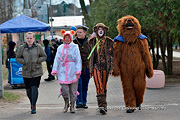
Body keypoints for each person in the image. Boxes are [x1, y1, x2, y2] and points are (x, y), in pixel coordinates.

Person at [51, 30, 82, 113]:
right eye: (66, 37)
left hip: (73, 70)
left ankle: (72, 106)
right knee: (65, 90)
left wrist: (78, 70)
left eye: (69, 37)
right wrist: (54, 69)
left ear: (71, 38)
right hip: (63, 70)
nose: (67, 39)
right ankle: (66, 103)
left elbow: (78, 59)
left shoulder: (75, 47)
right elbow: (56, 59)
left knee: (73, 91)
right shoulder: (60, 48)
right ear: (64, 38)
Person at [16, 32, 47, 114]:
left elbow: (44, 56)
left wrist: (38, 61)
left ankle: (33, 106)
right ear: (26, 39)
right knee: (28, 90)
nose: (29, 40)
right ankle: (31, 102)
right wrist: (24, 61)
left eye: (31, 38)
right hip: (26, 71)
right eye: (28, 38)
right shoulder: (22, 48)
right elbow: (18, 57)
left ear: (34, 39)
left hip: (36, 71)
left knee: (34, 87)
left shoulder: (38, 47)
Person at [88, 23, 114, 114]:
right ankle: (102, 106)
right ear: (96, 30)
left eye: (102, 29)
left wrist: (111, 68)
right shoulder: (92, 42)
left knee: (104, 87)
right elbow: (90, 57)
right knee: (99, 86)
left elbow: (112, 56)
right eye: (98, 29)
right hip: (96, 67)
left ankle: (103, 104)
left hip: (105, 68)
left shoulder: (109, 42)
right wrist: (90, 69)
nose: (100, 31)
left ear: (104, 30)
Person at [73, 25, 90, 109]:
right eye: (77, 32)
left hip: (87, 67)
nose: (78, 34)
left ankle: (84, 102)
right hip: (77, 68)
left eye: (80, 32)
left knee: (85, 85)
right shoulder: (74, 42)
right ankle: (78, 101)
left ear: (85, 33)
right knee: (78, 85)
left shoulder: (89, 42)